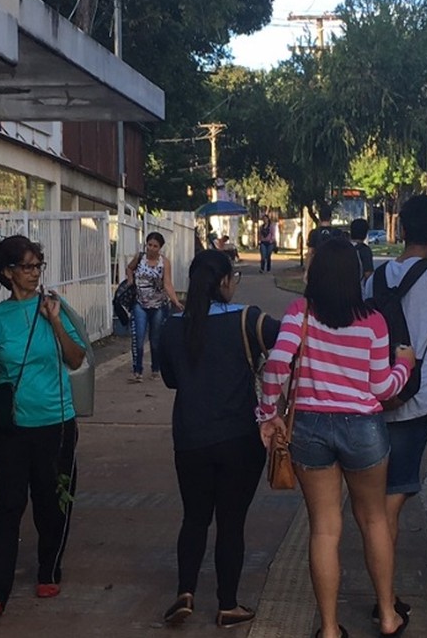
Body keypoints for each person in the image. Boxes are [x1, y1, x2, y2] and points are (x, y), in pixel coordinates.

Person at [258, 236, 415, 638]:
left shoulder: (300, 313)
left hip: (310, 428)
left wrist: (268, 414)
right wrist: (405, 366)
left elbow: (276, 364)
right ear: (356, 277)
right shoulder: (374, 321)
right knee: (374, 519)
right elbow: (382, 388)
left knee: (325, 528)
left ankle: (329, 629)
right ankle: (387, 615)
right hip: (363, 429)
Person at [0, 234, 88, 618]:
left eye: (38, 266)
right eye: (27, 267)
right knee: (9, 503)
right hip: (10, 427)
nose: (35, 273)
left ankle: (49, 569)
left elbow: (75, 359)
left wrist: (55, 321)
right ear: (7, 272)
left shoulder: (53, 307)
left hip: (56, 423)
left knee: (52, 501)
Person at [158, 250, 276, 627]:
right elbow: (287, 344)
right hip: (239, 438)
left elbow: (171, 380)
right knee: (230, 523)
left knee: (194, 518)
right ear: (224, 281)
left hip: (190, 438)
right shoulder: (247, 319)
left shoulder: (172, 327)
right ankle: (227, 604)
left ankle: (185, 591)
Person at [364, 194, 427, 626]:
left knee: (391, 498)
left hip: (391, 396)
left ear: (402, 229)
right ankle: (385, 600)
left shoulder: (375, 279)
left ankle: (386, 598)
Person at [127, 231, 181, 384]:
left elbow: (167, 283)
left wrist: (175, 301)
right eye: (149, 245)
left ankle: (155, 368)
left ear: (160, 248)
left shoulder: (164, 263)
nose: (151, 248)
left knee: (156, 339)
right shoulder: (140, 258)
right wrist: (130, 281)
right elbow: (129, 268)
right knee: (138, 337)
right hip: (140, 303)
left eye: (155, 246)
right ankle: (137, 370)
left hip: (158, 305)